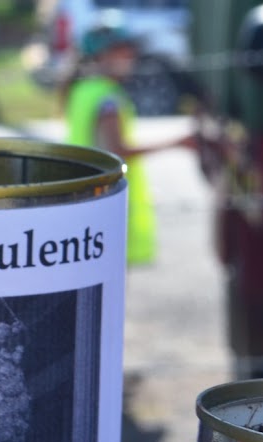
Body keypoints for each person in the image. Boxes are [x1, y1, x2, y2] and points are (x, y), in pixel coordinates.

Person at [62, 13, 192, 266]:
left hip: (86, 199)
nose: (130, 58)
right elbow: (119, 150)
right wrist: (178, 143)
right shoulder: (108, 99)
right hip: (108, 204)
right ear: (102, 55)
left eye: (130, 51)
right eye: (121, 51)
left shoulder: (83, 89)